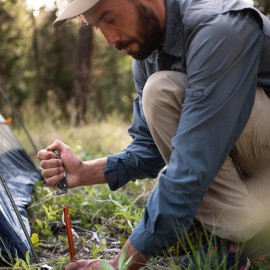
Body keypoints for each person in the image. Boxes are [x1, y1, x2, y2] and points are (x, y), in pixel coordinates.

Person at [37, 0, 270, 269]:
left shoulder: (218, 27)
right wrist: (84, 171)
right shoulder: (149, 53)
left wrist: (120, 264)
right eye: (97, 27)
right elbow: (150, 147)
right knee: (160, 91)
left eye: (110, 18)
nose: (111, 39)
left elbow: (192, 163)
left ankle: (250, 242)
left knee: (161, 90)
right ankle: (237, 231)